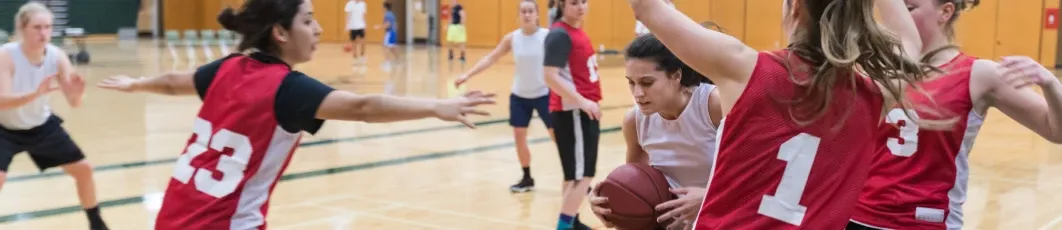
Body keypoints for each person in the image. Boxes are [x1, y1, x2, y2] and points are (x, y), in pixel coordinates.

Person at [96, 0, 495, 229]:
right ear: (280, 33)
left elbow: (172, 82)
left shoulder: (227, 67)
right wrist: (436, 107)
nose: (318, 29)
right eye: (307, 20)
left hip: (173, 217)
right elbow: (363, 107)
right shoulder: (286, 88)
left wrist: (137, 83)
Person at [629, 0, 937, 228]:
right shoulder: (874, 97)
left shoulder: (747, 69)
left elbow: (646, 7)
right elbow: (910, 43)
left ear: (796, 7)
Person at [849, 0, 1062, 229]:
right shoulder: (876, 69)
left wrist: (1050, 83)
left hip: (926, 221)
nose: (897, 17)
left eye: (909, 9)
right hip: (857, 216)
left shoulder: (978, 74)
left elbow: (1055, 130)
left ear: (946, 11)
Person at [587, 34, 722, 230]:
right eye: (631, 82)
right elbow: (635, 185)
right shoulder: (634, 121)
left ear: (676, 76)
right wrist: (610, 203)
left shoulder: (714, 105)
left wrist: (708, 198)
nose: (638, 94)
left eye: (647, 83)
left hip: (726, 217)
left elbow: (757, 178)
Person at [0, 2, 107, 230]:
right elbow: (2, 101)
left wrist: (78, 93)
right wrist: (34, 94)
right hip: (4, 128)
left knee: (84, 169)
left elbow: (74, 103)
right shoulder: (6, 55)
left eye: (48, 27)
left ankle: (96, 223)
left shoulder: (57, 56)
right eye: (37, 27)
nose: (44, 33)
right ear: (22, 28)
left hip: (40, 125)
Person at [454, 0, 553, 193]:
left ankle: (576, 177)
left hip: (544, 94)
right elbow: (491, 58)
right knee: (519, 136)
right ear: (518, 15)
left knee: (557, 137)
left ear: (537, 14)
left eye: (530, 11)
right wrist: (467, 75)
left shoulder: (547, 36)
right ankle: (527, 177)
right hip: (519, 96)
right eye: (523, 11)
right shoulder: (512, 38)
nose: (527, 15)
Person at [544, 0, 600, 229]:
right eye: (574, 2)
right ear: (562, 4)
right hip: (573, 112)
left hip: (580, 110)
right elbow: (550, 76)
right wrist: (583, 102)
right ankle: (564, 226)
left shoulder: (577, 31)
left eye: (583, 2)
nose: (580, 7)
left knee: (574, 175)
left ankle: (572, 221)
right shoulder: (560, 34)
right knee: (582, 175)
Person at [374, 2, 399, 70]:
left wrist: (378, 27)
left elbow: (387, 25)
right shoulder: (392, 14)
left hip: (389, 33)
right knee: (392, 48)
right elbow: (395, 24)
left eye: (382, 7)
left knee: (385, 47)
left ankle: (387, 63)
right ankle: (398, 60)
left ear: (385, 7)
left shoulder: (386, 14)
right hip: (393, 32)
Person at [344, 0, 367, 65]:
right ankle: (355, 58)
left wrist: (365, 25)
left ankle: (362, 56)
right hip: (352, 26)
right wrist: (346, 26)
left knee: (363, 42)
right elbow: (347, 15)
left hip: (361, 26)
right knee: (354, 44)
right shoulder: (349, 3)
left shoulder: (363, 4)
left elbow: (364, 15)